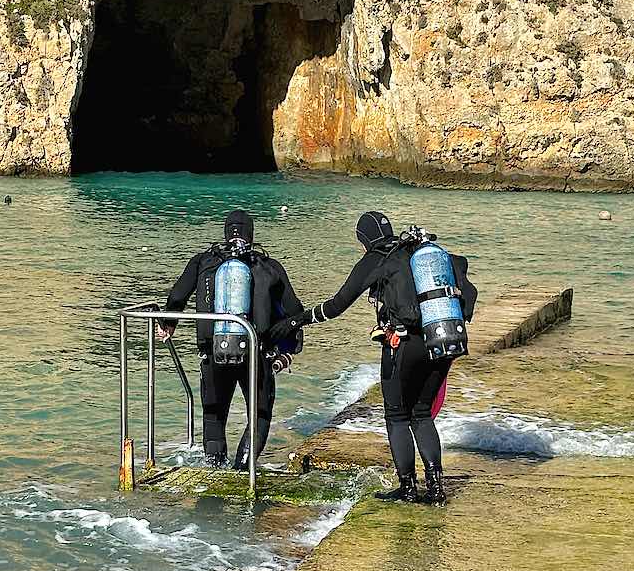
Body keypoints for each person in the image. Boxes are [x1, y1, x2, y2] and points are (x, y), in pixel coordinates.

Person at [268, 210, 474, 506]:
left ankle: (407, 487)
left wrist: (297, 321)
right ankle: (436, 487)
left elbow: (337, 305)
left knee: (397, 415)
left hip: (404, 343)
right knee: (421, 414)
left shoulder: (375, 259)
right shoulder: (417, 251)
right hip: (443, 337)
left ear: (363, 240)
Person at [157, 209, 304, 469]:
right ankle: (241, 470)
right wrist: (289, 349)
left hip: (213, 352)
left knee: (214, 415)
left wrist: (168, 325)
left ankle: (214, 468)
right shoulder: (269, 267)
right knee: (259, 415)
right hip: (257, 355)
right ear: (251, 234)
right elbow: (294, 311)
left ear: (226, 234)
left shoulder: (203, 261)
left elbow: (177, 296)